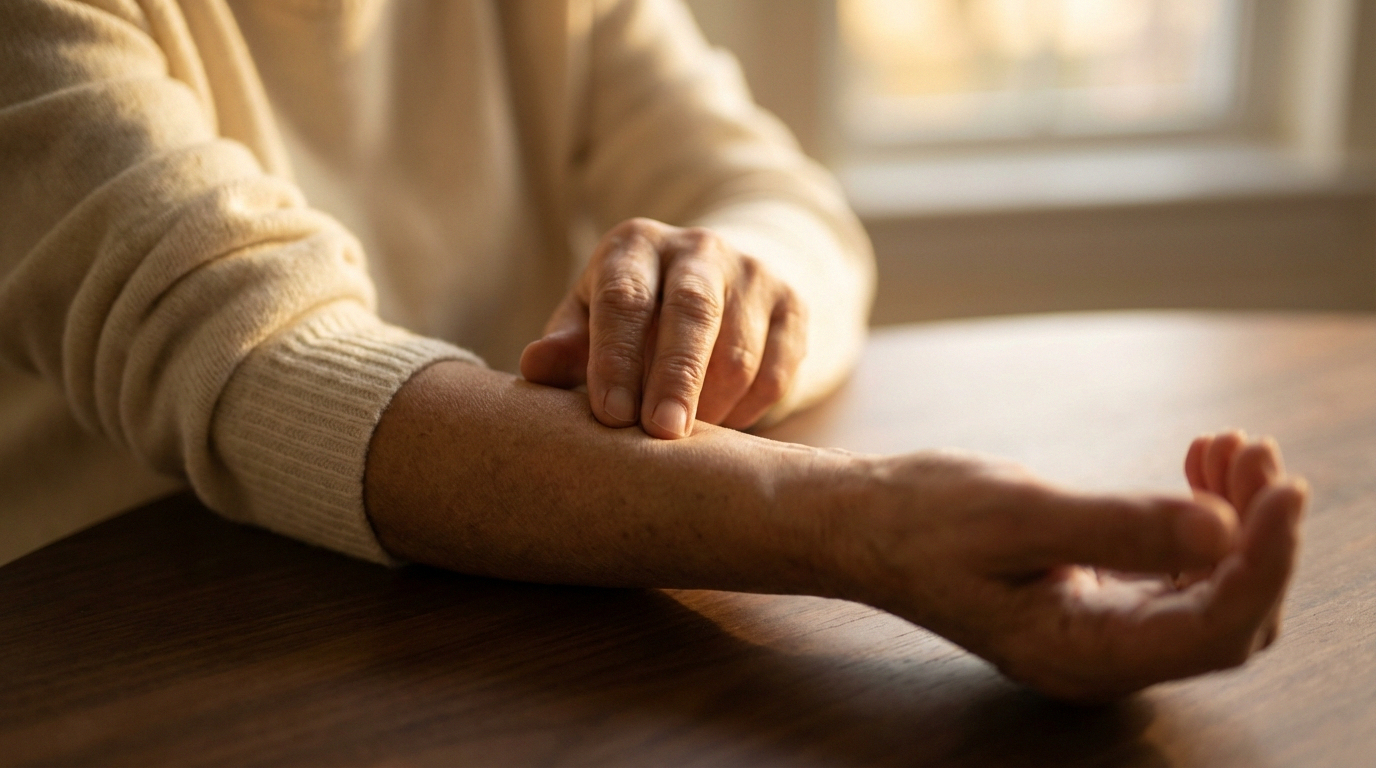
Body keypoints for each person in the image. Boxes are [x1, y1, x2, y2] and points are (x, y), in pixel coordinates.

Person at [0, 0, 1305, 702]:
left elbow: (784, 200)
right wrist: (864, 524)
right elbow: (265, 369)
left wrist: (744, 283)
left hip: (464, 648)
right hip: (104, 680)